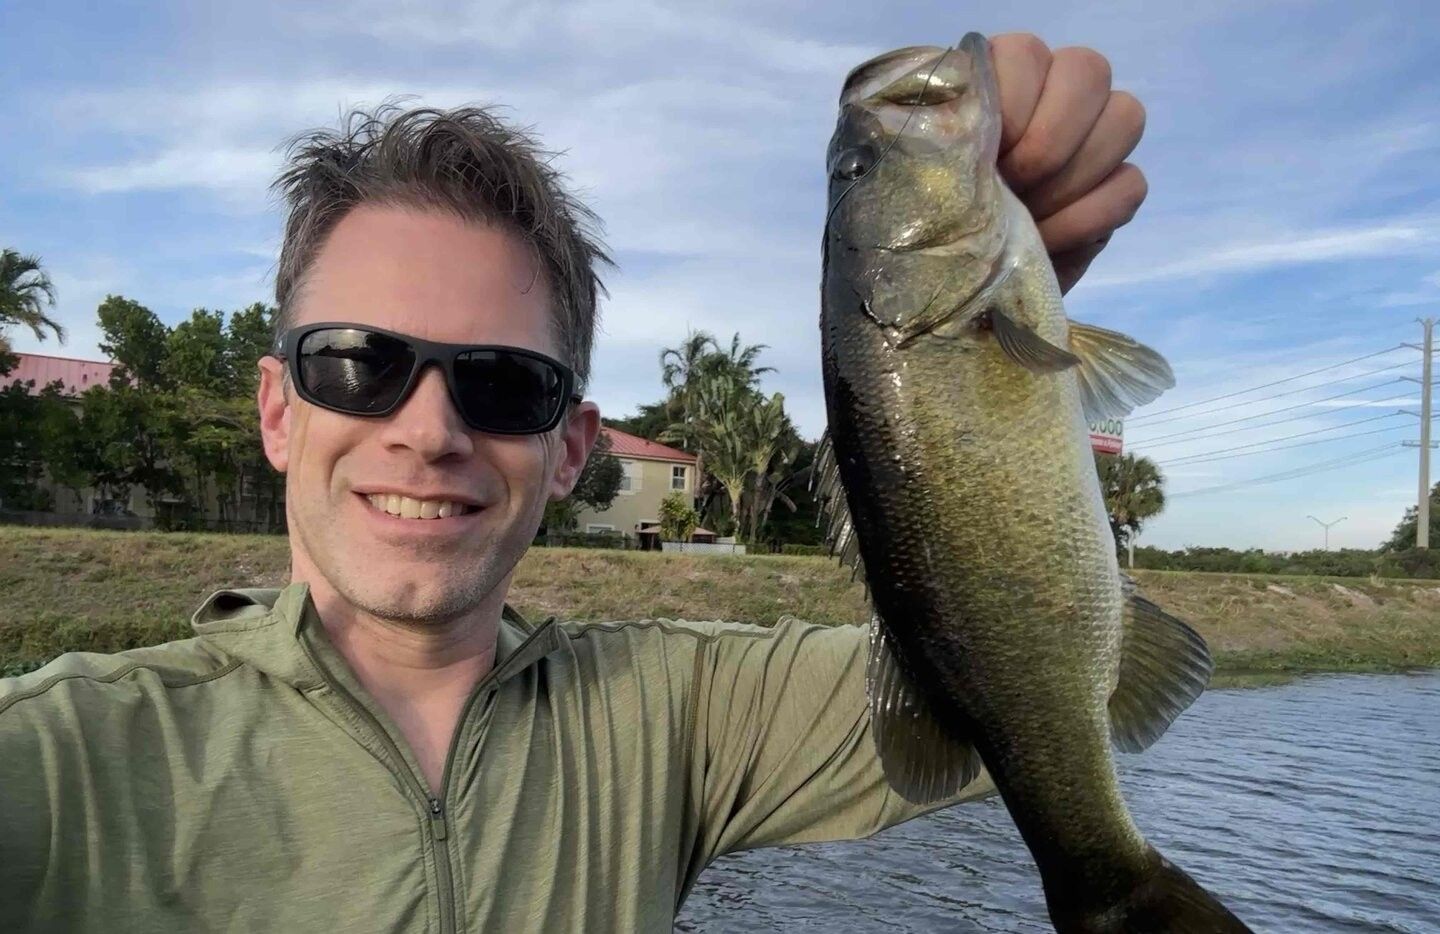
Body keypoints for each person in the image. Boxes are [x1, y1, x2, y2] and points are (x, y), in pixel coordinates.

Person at [0, 33, 1147, 933]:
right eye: (358, 363)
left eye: (502, 382)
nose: (429, 430)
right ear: (275, 409)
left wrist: (983, 366)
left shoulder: (679, 714)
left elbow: (985, 658)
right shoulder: (63, 755)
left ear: (570, 445)